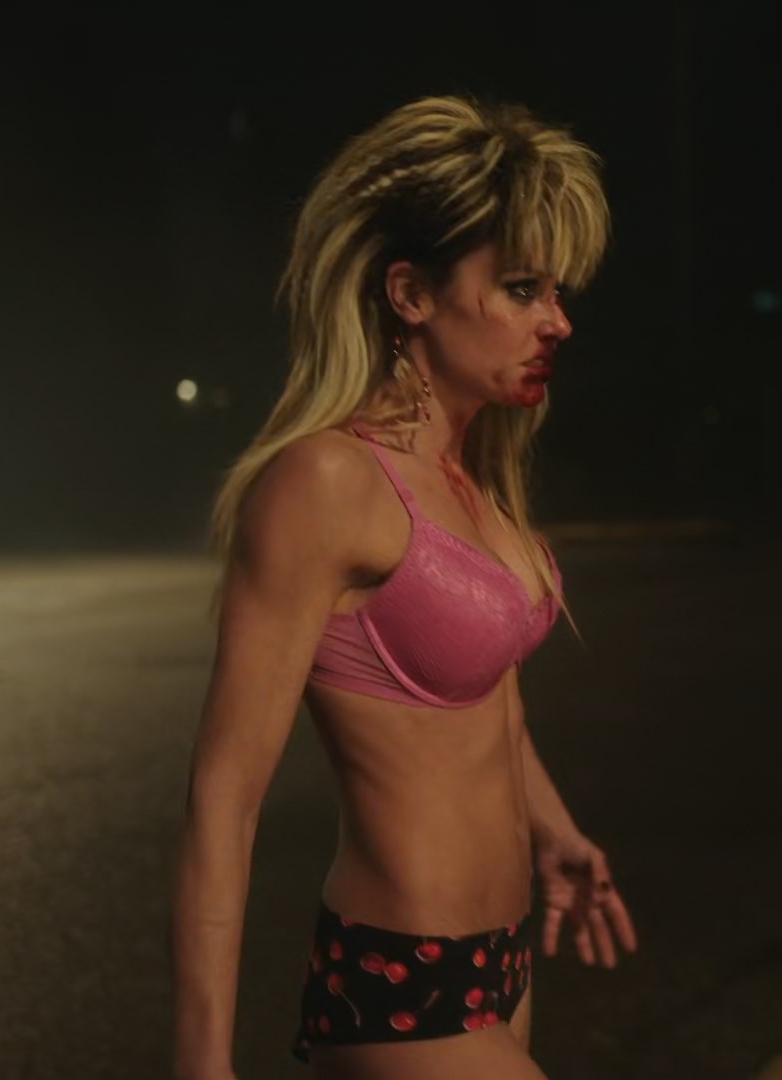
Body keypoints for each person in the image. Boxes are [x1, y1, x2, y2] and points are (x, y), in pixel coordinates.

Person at [170, 95, 639, 1080]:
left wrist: (553, 828)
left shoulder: (477, 481)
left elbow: (485, 699)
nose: (557, 321)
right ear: (411, 293)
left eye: (556, 292)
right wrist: (202, 1066)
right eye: (520, 288)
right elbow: (224, 796)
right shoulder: (327, 483)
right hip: (400, 983)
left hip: (502, 967)